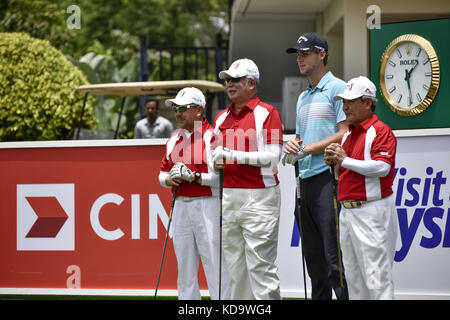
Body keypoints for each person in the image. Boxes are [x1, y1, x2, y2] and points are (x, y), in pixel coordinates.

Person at [282, 32, 349, 300]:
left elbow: (345, 132)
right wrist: (293, 144)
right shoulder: (302, 97)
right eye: (297, 54)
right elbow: (302, 137)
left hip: (328, 180)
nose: (299, 59)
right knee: (314, 263)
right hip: (305, 183)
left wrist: (308, 148)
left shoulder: (338, 89)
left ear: (322, 54)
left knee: (335, 261)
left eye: (305, 53)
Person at [212, 58, 284, 300]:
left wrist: (231, 155)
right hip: (230, 195)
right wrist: (216, 159)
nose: (229, 84)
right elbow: (214, 154)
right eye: (227, 80)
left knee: (261, 267)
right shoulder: (221, 117)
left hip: (260, 196)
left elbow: (273, 157)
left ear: (251, 83)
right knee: (236, 269)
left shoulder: (269, 112)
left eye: (235, 80)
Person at [324, 76, 398, 300]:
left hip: (371, 210)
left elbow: (382, 167)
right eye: (343, 102)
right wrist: (335, 164)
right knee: (354, 281)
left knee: (377, 280)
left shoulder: (380, 130)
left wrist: (344, 160)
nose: (344, 107)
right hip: (348, 211)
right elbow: (349, 171)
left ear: (367, 102)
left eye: (350, 101)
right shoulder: (348, 133)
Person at [158, 87, 230, 300]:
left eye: (183, 108)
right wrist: (170, 179)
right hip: (180, 205)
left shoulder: (213, 136)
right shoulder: (173, 139)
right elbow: (161, 175)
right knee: (185, 270)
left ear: (199, 110)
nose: (178, 113)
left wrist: (193, 177)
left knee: (215, 266)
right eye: (176, 109)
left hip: (207, 203)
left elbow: (220, 180)